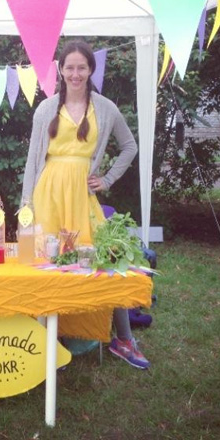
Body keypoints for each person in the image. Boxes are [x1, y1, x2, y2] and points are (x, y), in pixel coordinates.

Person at [22, 40, 150, 369]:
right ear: (60, 71)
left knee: (105, 261)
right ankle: (45, 339)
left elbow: (129, 146)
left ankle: (123, 339)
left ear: (91, 69)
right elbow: (32, 161)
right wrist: (26, 206)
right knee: (46, 266)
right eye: (69, 67)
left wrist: (106, 180)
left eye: (82, 67)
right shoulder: (45, 109)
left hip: (82, 194)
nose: (75, 73)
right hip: (48, 193)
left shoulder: (105, 108)